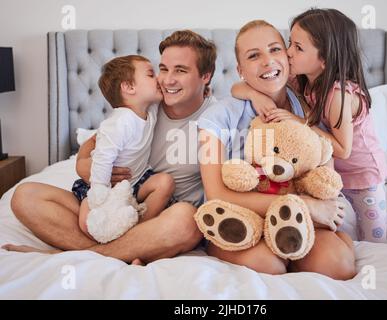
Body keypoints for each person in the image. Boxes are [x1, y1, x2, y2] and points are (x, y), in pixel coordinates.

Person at [3, 30, 217, 264]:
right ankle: (123, 250)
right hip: (113, 198)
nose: (166, 80)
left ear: (205, 77)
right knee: (24, 196)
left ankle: (74, 255)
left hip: (157, 213)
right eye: (163, 69)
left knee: (187, 220)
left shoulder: (218, 117)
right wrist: (82, 165)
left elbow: (246, 95)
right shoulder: (146, 105)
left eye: (181, 70)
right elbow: (95, 144)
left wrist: (253, 94)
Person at [197, 20, 356, 279]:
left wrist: (314, 207)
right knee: (267, 266)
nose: (267, 61)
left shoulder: (307, 108)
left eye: (274, 50)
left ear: (288, 57)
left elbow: (325, 181)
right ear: (240, 69)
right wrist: (299, 203)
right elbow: (215, 194)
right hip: (242, 218)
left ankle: (329, 246)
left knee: (336, 266)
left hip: (301, 219)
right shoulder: (217, 117)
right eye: (253, 56)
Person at [233, 9, 387, 243]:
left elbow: (343, 149)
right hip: (332, 174)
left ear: (323, 59)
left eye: (298, 47)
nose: (287, 52)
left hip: (362, 175)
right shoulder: (303, 80)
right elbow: (236, 87)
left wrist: (300, 122)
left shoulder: (338, 95)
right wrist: (257, 97)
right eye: (289, 43)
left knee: (374, 239)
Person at [73, 55, 175, 241]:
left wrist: (203, 90)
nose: (159, 79)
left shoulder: (151, 109)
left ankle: (136, 230)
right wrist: (100, 192)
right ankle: (110, 239)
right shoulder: (120, 122)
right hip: (104, 185)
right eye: (151, 74)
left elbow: (177, 93)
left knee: (165, 182)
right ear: (129, 87)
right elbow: (103, 158)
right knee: (86, 221)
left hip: (136, 181)